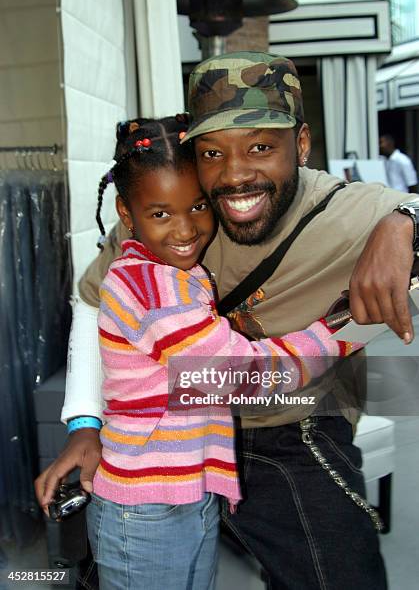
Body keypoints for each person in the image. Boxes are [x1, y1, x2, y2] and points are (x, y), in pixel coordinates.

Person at [35, 52, 419, 590]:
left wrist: (404, 223)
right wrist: (83, 422)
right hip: (165, 444)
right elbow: (93, 300)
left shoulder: (349, 213)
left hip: (289, 424)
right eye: (213, 152)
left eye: (261, 147)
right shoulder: (167, 215)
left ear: (301, 145)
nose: (236, 174)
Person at [81, 115, 361, 590]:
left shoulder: (174, 274)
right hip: (148, 508)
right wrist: (335, 336)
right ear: (126, 214)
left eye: (197, 207)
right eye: (161, 214)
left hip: (181, 492)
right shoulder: (149, 286)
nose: (186, 229)